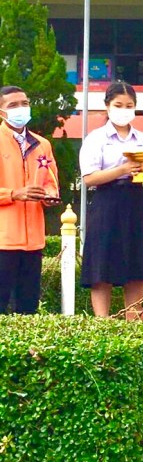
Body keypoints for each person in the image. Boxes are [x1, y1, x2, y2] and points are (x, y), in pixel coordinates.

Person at [79, 81, 143, 318]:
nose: (124, 110)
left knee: (136, 265)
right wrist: (123, 169)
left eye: (129, 106)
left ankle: (133, 318)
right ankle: (102, 322)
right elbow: (89, 178)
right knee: (102, 266)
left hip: (137, 201)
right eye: (118, 105)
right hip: (107, 201)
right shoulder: (96, 139)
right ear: (107, 106)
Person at [0, 85, 59, 314]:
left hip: (33, 240)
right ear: (2, 111)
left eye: (24, 103)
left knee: (28, 308)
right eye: (13, 105)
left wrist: (50, 195)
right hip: (3, 240)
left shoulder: (42, 144)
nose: (21, 108)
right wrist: (13, 194)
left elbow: (51, 181)